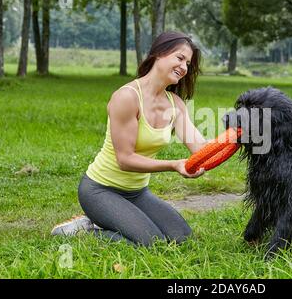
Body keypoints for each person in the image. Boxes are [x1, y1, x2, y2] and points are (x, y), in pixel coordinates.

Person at [51, 31, 208, 246]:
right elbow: (125, 159)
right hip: (100, 189)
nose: (184, 67)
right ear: (159, 54)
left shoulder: (175, 103)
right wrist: (173, 165)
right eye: (180, 58)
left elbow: (201, 148)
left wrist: (236, 137)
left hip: (136, 193)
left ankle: (110, 220)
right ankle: (84, 229)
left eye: (188, 63)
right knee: (150, 243)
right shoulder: (127, 97)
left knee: (182, 238)